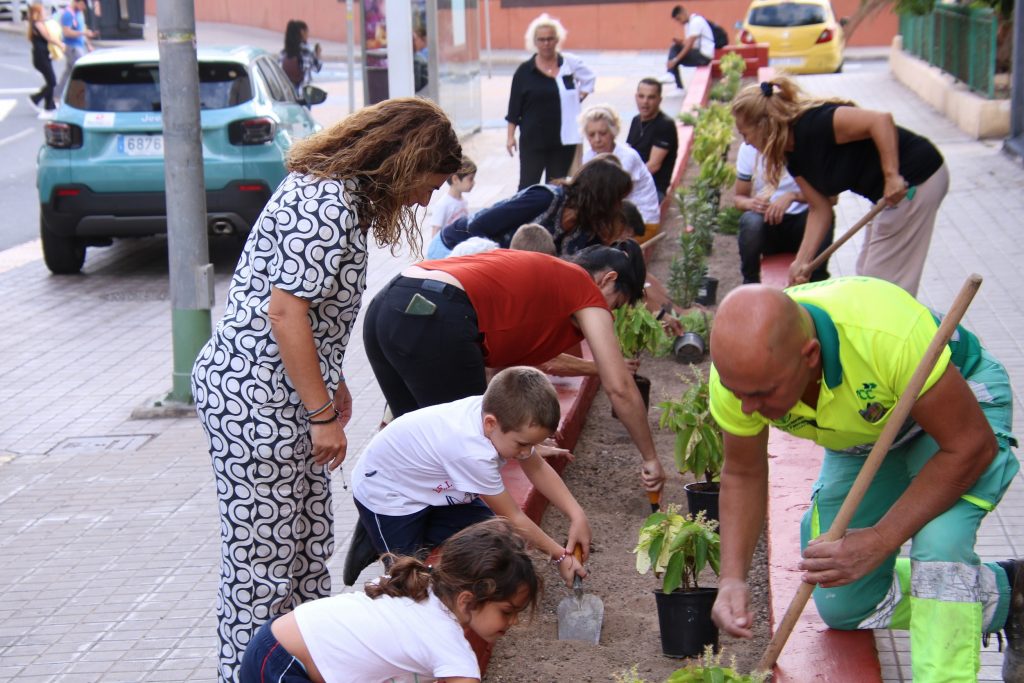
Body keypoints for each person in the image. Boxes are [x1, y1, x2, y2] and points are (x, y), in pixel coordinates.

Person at [190, 98, 462, 683]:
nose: (424, 199)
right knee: (260, 569)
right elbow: (284, 312)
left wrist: (329, 380)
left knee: (308, 554)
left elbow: (306, 311)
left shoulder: (333, 196)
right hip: (255, 401)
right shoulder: (326, 203)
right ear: (403, 160)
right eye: (427, 183)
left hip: (276, 395)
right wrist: (320, 412)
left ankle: (300, 668)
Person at [707, 278, 1021, 683]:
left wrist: (882, 538)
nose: (748, 407)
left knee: (941, 548)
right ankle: (1012, 592)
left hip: (960, 412)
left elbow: (970, 447)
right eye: (739, 394)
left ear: (810, 355)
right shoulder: (741, 376)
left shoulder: (886, 335)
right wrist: (732, 578)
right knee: (844, 599)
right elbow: (744, 472)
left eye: (763, 394)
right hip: (870, 435)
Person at [362, 243, 666, 494]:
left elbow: (517, 372)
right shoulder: (585, 290)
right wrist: (651, 458)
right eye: (615, 304)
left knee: (415, 449)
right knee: (468, 453)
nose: (608, 313)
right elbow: (620, 388)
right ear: (607, 279)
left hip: (388, 305)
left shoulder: (547, 281)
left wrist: (525, 445)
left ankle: (381, 542)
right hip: (433, 313)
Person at [347, 367, 589, 587]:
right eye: (523, 444)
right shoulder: (473, 453)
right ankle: (374, 535)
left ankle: (412, 530)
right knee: (408, 578)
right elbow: (513, 516)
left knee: (496, 535)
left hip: (434, 484)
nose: (526, 453)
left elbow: (536, 467)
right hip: (390, 493)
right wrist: (560, 556)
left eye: (532, 445)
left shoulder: (500, 414)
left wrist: (577, 515)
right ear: (490, 423)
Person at [240, 519, 540, 683]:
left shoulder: (421, 587)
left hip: (276, 647)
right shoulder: (448, 643)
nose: (512, 622)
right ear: (467, 600)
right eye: (507, 611)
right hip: (282, 664)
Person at [731, 78, 949, 296]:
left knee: (883, 288)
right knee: (867, 276)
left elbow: (880, 121)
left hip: (915, 181)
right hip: (888, 196)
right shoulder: (793, 154)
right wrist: (801, 262)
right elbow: (819, 208)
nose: (746, 143)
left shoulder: (815, 123)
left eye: (745, 133)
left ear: (764, 124)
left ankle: (907, 328)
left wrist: (892, 175)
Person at [427, 154, 631, 259]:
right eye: (617, 199)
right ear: (602, 197)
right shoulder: (545, 198)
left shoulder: (585, 231)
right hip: (454, 250)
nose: (618, 208)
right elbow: (480, 225)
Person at [506, 13, 595, 190]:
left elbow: (589, 80)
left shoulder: (568, 64)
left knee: (556, 187)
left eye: (550, 39)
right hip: (533, 140)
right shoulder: (524, 71)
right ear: (535, 42)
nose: (546, 43)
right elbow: (514, 108)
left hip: (563, 140)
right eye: (541, 39)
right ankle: (524, 218)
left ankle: (551, 218)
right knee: (528, 186)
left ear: (557, 40)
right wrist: (510, 137)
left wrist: (576, 100)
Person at [733, 141, 834, 284]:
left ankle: (817, 279)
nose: (747, 140)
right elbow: (739, 197)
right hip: (769, 223)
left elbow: (831, 198)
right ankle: (751, 282)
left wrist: (793, 196)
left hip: (803, 223)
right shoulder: (748, 149)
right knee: (751, 222)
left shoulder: (802, 144)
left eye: (746, 134)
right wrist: (751, 203)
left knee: (826, 218)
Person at [580, 104, 661, 225]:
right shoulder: (589, 156)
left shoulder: (627, 157)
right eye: (591, 135)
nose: (597, 139)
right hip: (616, 218)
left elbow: (609, 197)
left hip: (642, 222)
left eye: (602, 133)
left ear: (613, 133)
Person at [627, 78, 679, 200]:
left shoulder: (665, 125)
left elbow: (653, 166)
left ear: (659, 100)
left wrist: (624, 183)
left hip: (653, 189)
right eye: (641, 96)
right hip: (634, 185)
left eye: (651, 97)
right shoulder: (636, 120)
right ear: (636, 97)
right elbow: (628, 153)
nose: (645, 102)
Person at [665, 5, 714, 91]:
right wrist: (680, 42)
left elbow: (689, 45)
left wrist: (675, 60)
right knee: (675, 50)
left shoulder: (696, 21)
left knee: (675, 51)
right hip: (699, 54)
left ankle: (671, 74)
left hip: (704, 57)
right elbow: (689, 43)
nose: (679, 22)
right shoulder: (688, 25)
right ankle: (678, 86)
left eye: (679, 19)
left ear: (683, 12)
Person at [27, 2, 62, 116]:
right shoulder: (37, 24)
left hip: (43, 55)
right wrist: (60, 44)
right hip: (40, 57)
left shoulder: (40, 23)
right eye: (43, 11)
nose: (45, 13)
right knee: (52, 81)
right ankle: (35, 99)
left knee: (50, 81)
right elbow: (48, 37)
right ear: (37, 13)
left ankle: (49, 106)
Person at [54, 0, 94, 98]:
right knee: (82, 70)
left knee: (69, 72)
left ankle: (57, 94)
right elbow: (66, 32)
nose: (83, 8)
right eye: (82, 5)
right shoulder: (68, 14)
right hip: (72, 47)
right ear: (77, 2)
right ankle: (82, 95)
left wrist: (88, 44)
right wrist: (83, 34)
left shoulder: (79, 13)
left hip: (79, 45)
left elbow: (82, 29)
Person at [430, 156, 476, 237]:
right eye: (470, 179)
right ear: (455, 179)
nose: (473, 182)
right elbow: (435, 235)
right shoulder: (442, 205)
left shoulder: (463, 201)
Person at [280, 19, 322, 99]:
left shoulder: (283, 53)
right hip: (303, 95)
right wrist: (318, 55)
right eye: (307, 32)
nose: (308, 35)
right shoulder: (306, 52)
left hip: (287, 95)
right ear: (302, 32)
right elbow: (317, 68)